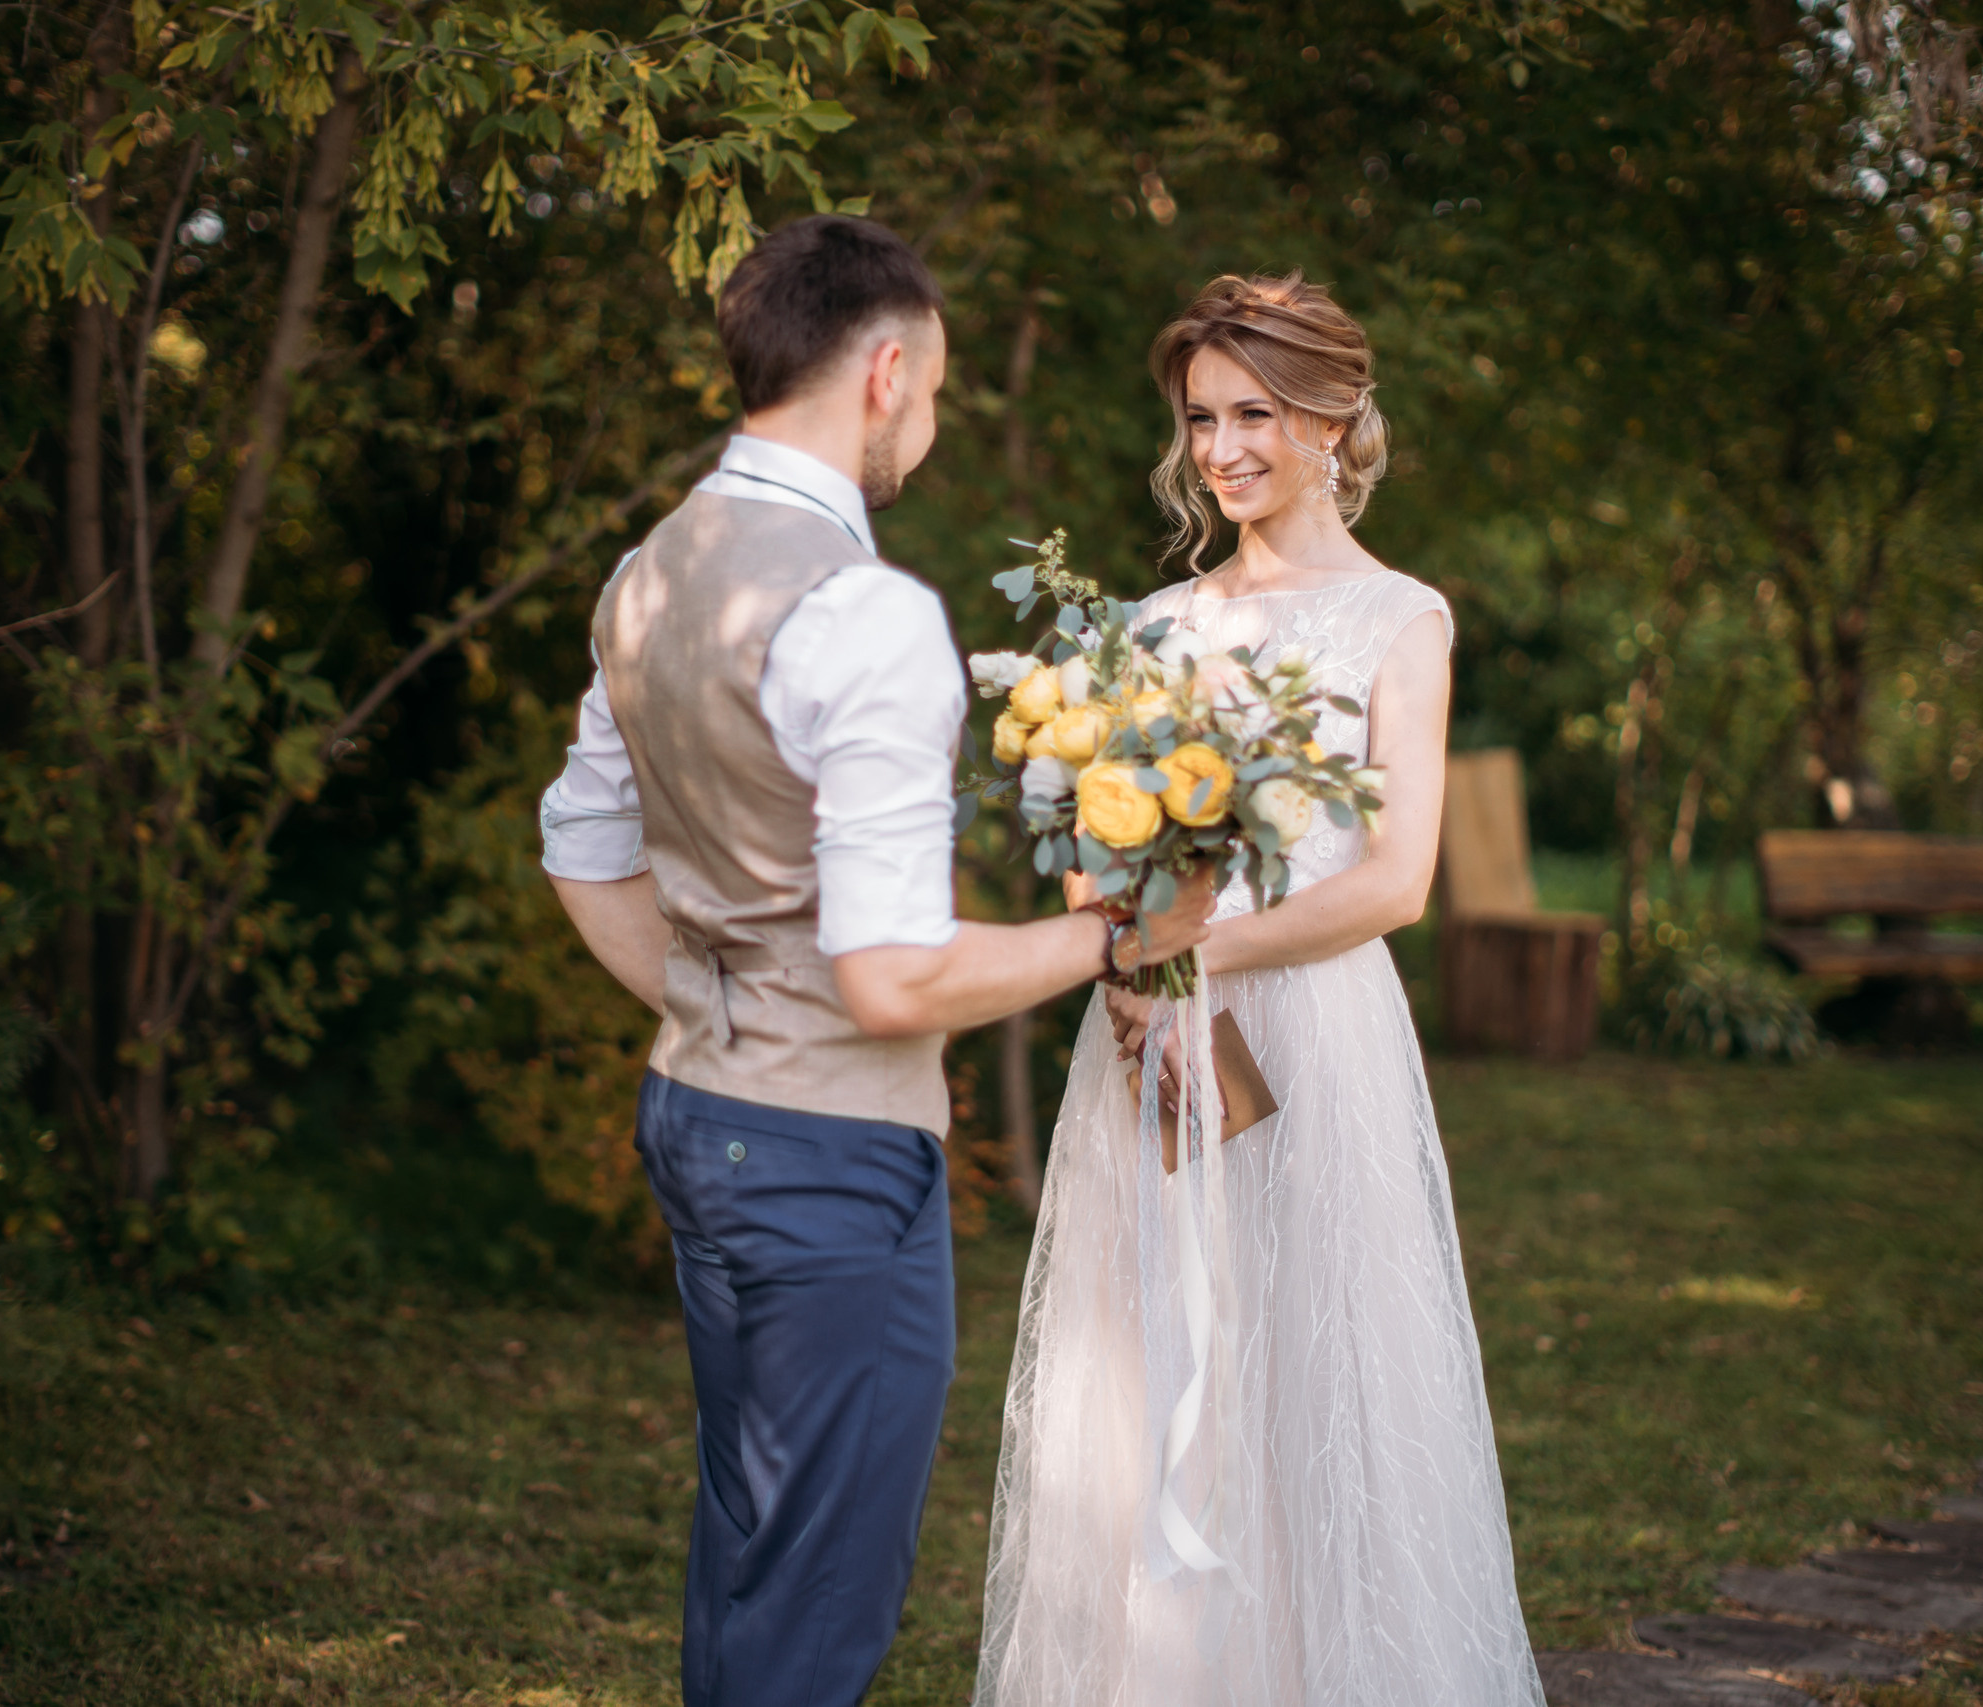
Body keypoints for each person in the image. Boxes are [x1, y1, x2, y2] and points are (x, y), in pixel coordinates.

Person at [540, 215, 1214, 1707]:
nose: (933, 421)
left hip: (697, 1115)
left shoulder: (650, 572)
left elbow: (584, 854)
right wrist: (1111, 931)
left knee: (753, 1552)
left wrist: (720, 1012)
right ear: (887, 371)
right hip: (830, 1161)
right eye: (939, 390)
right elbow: (890, 982)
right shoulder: (867, 613)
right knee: (824, 1592)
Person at [975, 274, 1546, 1706]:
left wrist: (1196, 958)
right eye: (1201, 418)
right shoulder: (1153, 624)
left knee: (1318, 1387)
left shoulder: (1398, 620)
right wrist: (1120, 955)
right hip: (1148, 1047)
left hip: (1313, 1040)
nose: (1223, 448)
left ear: (1336, 417)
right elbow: (1091, 829)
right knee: (1163, 1382)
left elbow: (1396, 880)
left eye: (1255, 414)